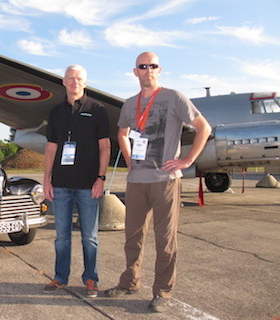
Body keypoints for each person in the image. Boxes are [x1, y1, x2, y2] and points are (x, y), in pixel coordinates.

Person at [104, 52, 211, 312]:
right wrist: (129, 162)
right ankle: (130, 282)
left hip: (165, 181)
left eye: (152, 65)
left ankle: (162, 292)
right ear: (135, 72)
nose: (147, 70)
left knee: (165, 240)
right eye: (143, 66)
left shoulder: (174, 97)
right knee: (133, 237)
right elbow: (122, 133)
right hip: (137, 180)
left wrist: (186, 161)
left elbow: (203, 128)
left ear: (159, 70)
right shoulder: (130, 104)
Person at [43, 64, 111, 298]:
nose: (74, 82)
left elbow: (105, 146)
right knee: (62, 237)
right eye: (70, 78)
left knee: (89, 237)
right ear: (63, 82)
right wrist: (47, 180)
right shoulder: (55, 112)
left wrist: (101, 178)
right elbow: (51, 147)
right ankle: (60, 277)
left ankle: (90, 278)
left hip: (88, 184)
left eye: (79, 78)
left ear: (85, 82)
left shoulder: (97, 109)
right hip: (61, 184)